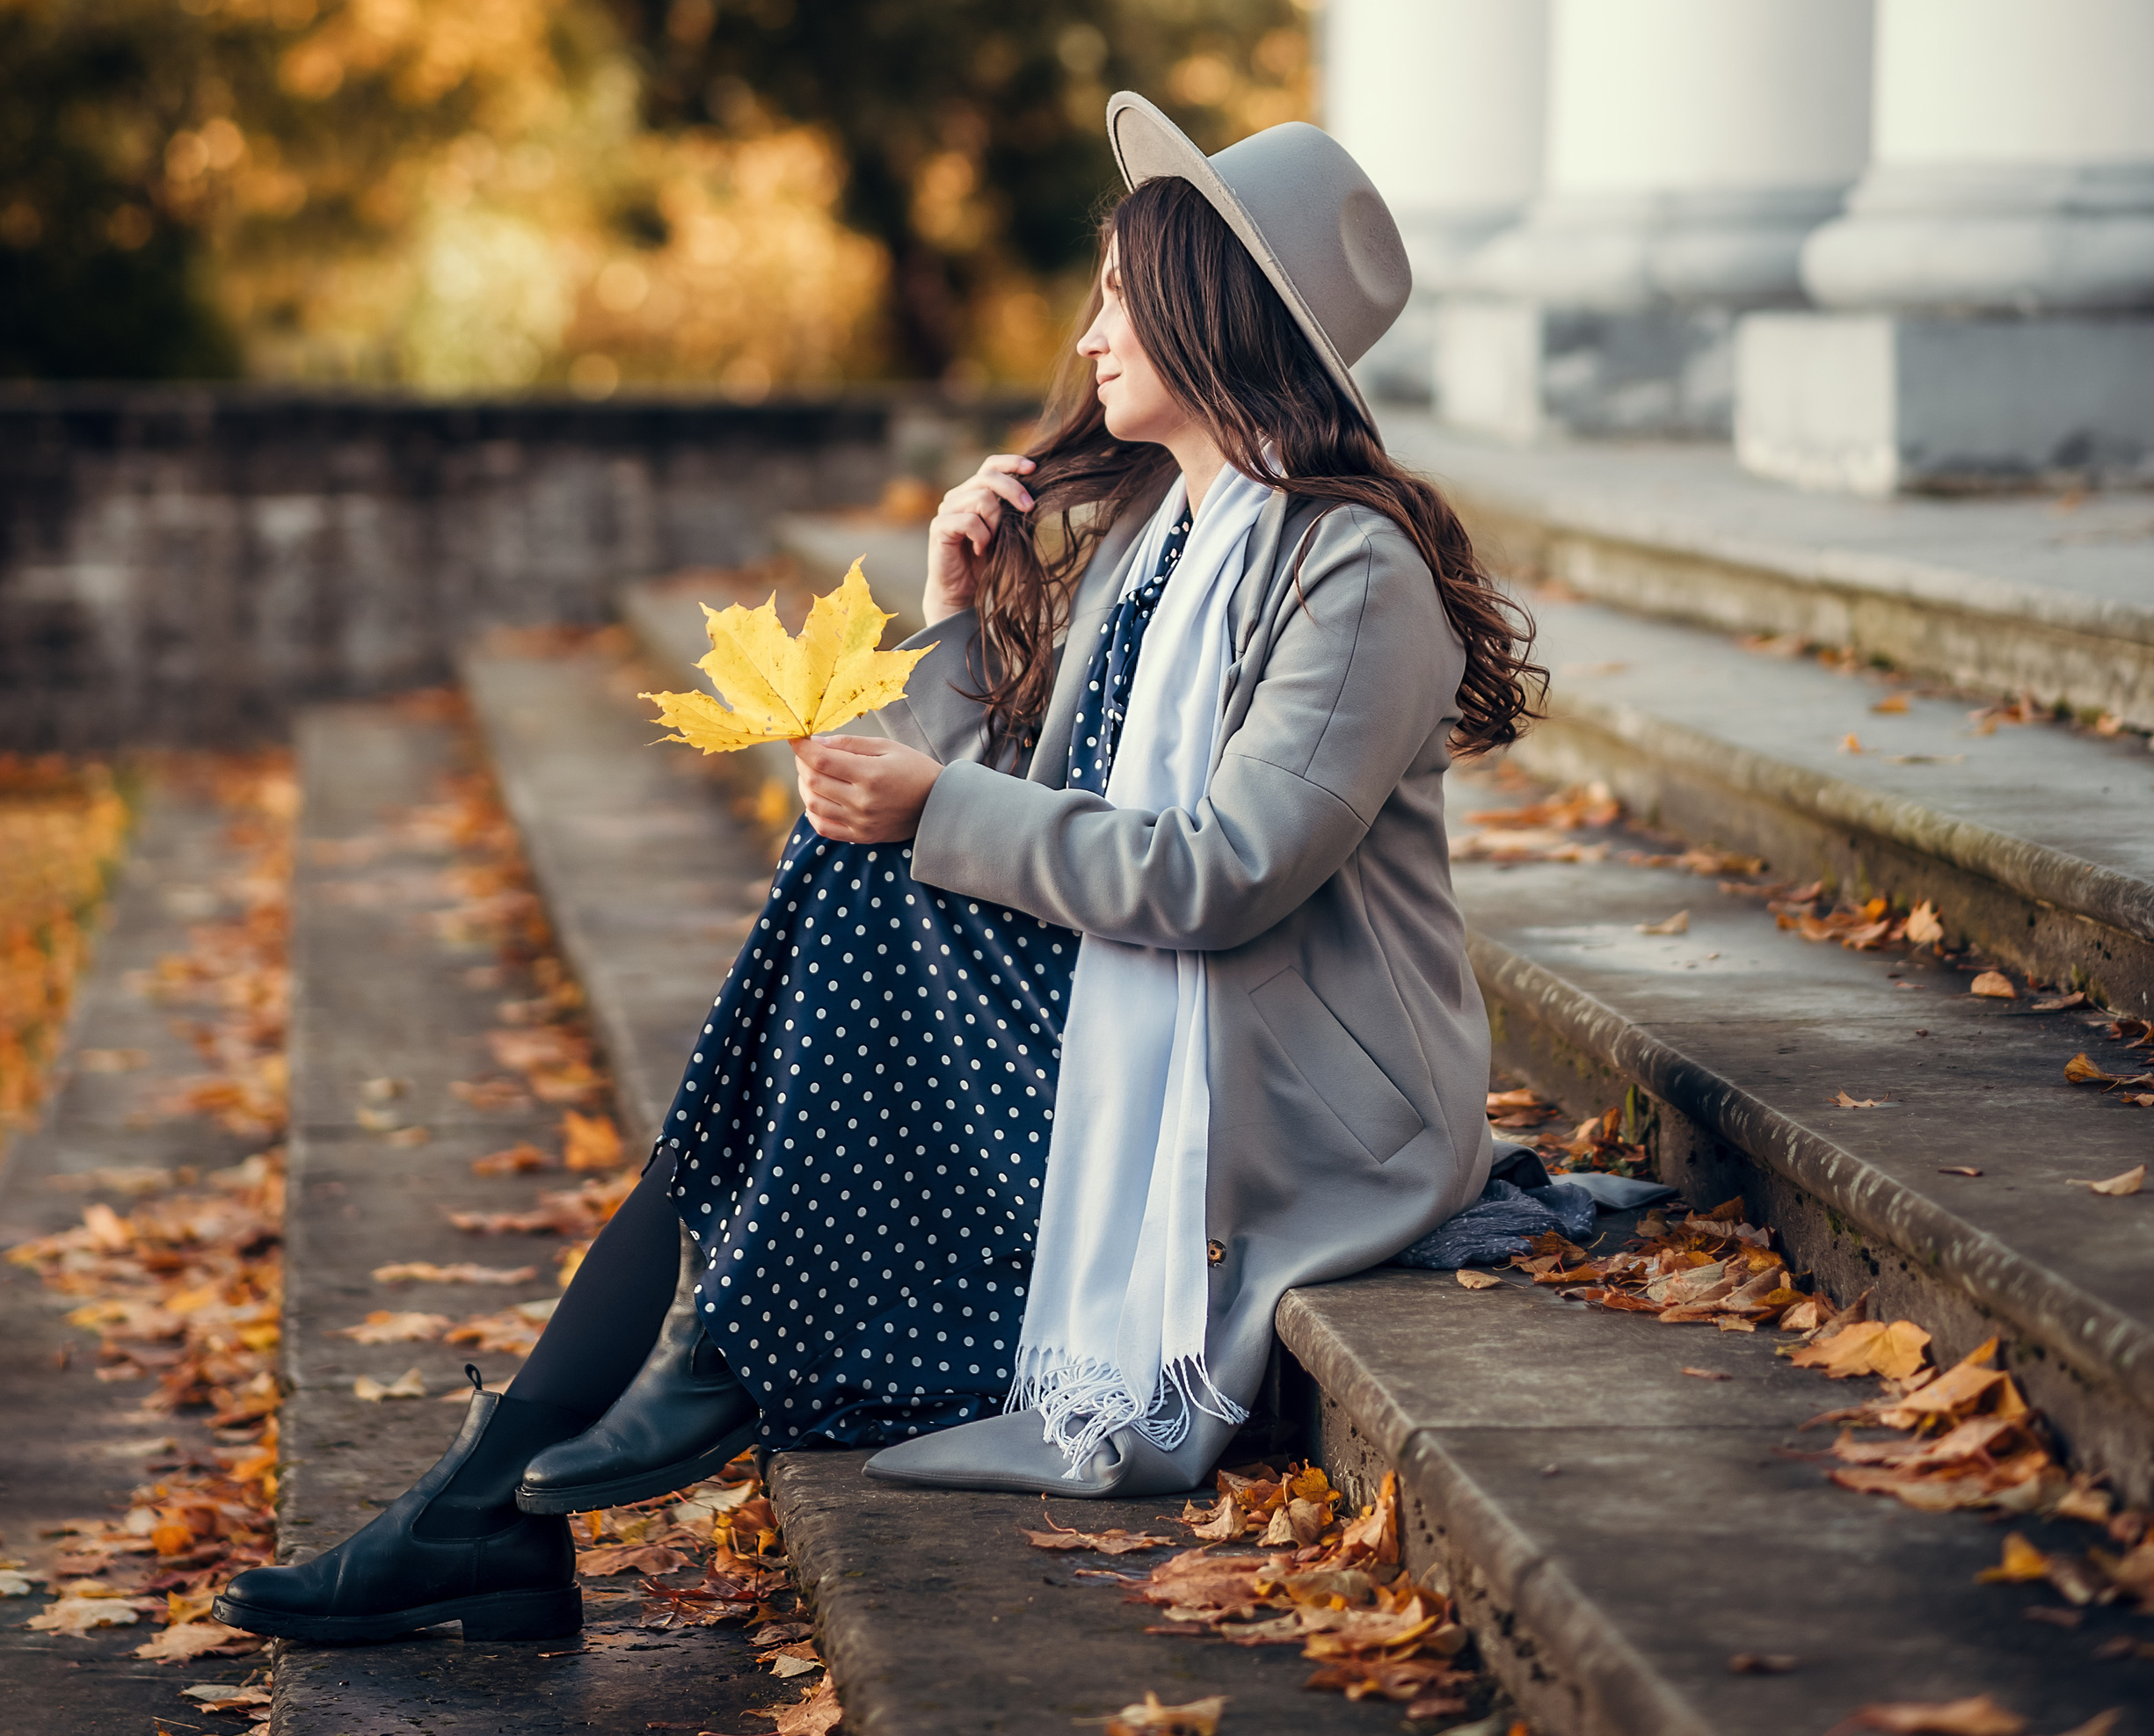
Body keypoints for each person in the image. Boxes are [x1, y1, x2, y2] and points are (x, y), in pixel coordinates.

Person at [215, 96, 1539, 1646]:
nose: (1090, 330)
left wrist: (923, 808)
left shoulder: (1347, 570)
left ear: (1210, 311)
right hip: (1149, 1018)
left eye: (1118, 292)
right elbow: (954, 811)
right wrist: (954, 614)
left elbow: (1223, 873)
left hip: (1295, 1090)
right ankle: (538, 1470)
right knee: (845, 889)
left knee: (853, 888)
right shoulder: (1158, 542)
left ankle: (565, 1454)